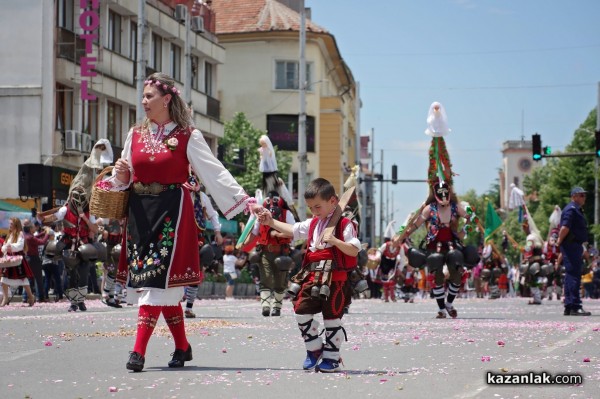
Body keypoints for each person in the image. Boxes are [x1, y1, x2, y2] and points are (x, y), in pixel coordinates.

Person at [111, 72, 258, 372]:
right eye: (143, 96)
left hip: (171, 214)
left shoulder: (187, 136)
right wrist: (121, 174)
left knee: (156, 284)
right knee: (158, 286)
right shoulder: (134, 135)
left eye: (149, 96)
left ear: (166, 99)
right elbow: (122, 179)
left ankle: (138, 351)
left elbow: (214, 172)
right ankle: (182, 347)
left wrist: (246, 202)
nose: (143, 101)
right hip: (139, 212)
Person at [258, 178, 361, 373]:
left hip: (336, 279)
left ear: (333, 201)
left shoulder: (345, 224)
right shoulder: (313, 222)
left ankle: (331, 357)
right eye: (311, 207)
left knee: (332, 318)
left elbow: (354, 250)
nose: (314, 211)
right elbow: (293, 229)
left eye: (317, 206)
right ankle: (314, 348)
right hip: (312, 275)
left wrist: (336, 241)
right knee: (301, 310)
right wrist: (271, 222)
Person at [183, 171, 223, 318]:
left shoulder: (202, 197)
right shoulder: (178, 194)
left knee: (196, 270)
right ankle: (172, 304)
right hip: (178, 238)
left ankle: (188, 307)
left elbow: (213, 215)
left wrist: (217, 232)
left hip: (196, 239)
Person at [249, 191, 296, 316]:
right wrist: (244, 242)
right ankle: (265, 306)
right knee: (266, 277)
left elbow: (294, 232)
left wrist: (278, 234)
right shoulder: (261, 214)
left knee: (280, 281)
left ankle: (277, 307)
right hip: (265, 251)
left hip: (282, 252)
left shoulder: (287, 214)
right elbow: (254, 231)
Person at [557, 187, 591, 316]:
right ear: (574, 196)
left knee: (571, 275)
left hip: (573, 245)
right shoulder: (572, 209)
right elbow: (565, 227)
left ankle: (569, 305)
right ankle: (575, 305)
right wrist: (559, 241)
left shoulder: (575, 209)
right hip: (571, 245)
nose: (584, 198)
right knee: (574, 275)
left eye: (584, 195)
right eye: (581, 195)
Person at [0, 218, 35, 306]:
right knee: (4, 279)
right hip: (9, 259)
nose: (9, 225)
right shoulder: (9, 234)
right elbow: (4, 246)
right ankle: (5, 298)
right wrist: (5, 247)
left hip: (18, 259)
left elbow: (20, 245)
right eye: (9, 224)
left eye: (11, 224)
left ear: (16, 224)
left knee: (23, 280)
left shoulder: (20, 234)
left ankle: (30, 296)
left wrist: (9, 246)